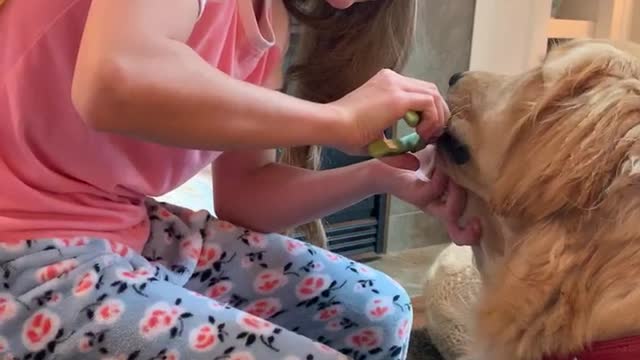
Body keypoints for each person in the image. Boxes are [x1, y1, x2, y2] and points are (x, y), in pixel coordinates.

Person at [0, 0, 480, 359]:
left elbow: (249, 193)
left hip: (126, 228)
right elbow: (113, 79)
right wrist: (332, 119)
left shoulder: (272, 24)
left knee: (381, 311)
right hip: (18, 243)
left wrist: (381, 176)